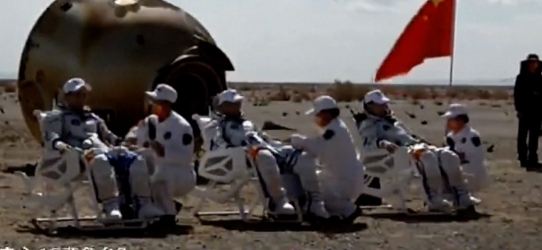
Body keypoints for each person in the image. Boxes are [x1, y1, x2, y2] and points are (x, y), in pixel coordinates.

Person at [41, 78, 163, 221]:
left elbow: (109, 136)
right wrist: (60, 145)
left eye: (83, 94)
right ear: (67, 96)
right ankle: (110, 206)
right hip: (79, 157)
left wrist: (124, 143)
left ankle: (143, 205)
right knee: (100, 161)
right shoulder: (57, 116)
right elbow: (51, 136)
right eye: (77, 94)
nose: (81, 98)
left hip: (104, 150)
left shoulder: (93, 118)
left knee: (137, 160)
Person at [210, 88, 330, 219]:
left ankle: (314, 202)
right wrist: (238, 151)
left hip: (266, 148)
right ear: (223, 106)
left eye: (237, 102)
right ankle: (279, 201)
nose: (236, 105)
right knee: (264, 156)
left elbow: (263, 137)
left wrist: (280, 144)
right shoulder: (218, 125)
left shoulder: (248, 123)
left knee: (304, 157)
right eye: (232, 103)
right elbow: (218, 145)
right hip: (244, 156)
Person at [357, 89, 475, 212]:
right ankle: (434, 198)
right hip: (397, 156)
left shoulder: (392, 121)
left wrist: (423, 143)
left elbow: (409, 136)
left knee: (448, 156)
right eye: (380, 104)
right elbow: (367, 143)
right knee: (427, 157)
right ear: (370, 106)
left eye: (384, 104)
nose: (384, 106)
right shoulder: (369, 124)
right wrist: (382, 143)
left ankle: (461, 196)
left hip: (414, 147)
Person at [290, 95, 364, 222]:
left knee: (319, 196)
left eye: (318, 115)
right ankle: (338, 213)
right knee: (318, 181)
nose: (316, 119)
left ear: (327, 114)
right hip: (347, 176)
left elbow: (319, 148)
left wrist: (299, 141)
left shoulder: (334, 131)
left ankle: (349, 210)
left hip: (346, 180)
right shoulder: (336, 127)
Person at [135, 83, 197, 225]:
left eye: (156, 102)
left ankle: (168, 214)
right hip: (155, 166)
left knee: (160, 176)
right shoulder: (150, 122)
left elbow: (185, 157)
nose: (152, 105)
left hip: (181, 174)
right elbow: (138, 140)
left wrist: (165, 152)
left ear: (166, 105)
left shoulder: (181, 126)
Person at [442, 104, 490, 193]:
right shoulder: (450, 137)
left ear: (461, 120)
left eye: (451, 120)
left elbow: (469, 156)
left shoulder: (472, 136)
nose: (448, 123)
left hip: (472, 172)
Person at [514, 53, 542, 169]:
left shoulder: (540, 78)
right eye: (532, 63)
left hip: (537, 111)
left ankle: (533, 158)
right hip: (525, 111)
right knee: (522, 136)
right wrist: (519, 109)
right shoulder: (521, 78)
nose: (534, 65)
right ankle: (523, 158)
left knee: (534, 137)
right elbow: (517, 95)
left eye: (535, 63)